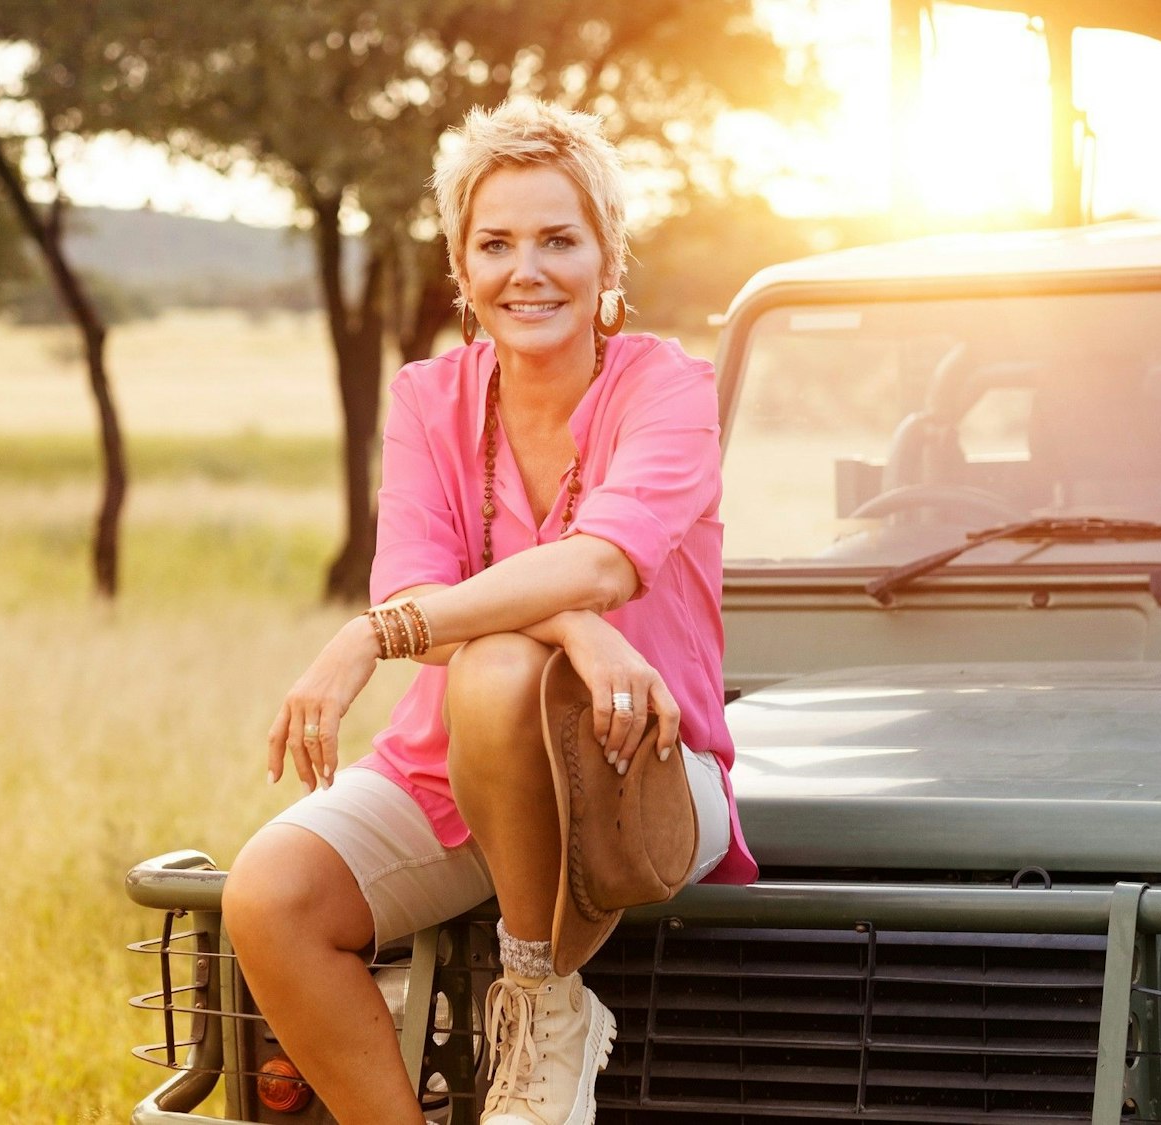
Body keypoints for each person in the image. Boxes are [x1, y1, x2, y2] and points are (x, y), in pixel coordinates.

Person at [221, 99, 758, 1125]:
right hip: (451, 768)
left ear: (607, 258)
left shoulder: (668, 388)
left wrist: (375, 636)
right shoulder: (428, 398)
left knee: (498, 666)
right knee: (268, 894)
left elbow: (603, 562)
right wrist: (570, 625)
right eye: (495, 244)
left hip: (635, 764)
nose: (528, 271)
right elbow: (418, 587)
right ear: (462, 269)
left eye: (559, 240)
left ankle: (544, 1001)